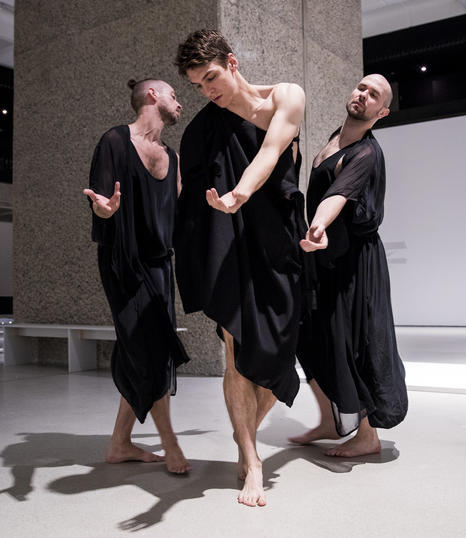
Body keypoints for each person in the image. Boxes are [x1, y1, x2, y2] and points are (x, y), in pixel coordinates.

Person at [173, 29, 306, 506]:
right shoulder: (203, 130)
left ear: (231, 62)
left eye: (210, 78)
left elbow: (270, 153)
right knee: (235, 353)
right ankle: (251, 461)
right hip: (229, 244)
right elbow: (189, 197)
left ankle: (243, 431)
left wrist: (239, 193)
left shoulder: (285, 96)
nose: (207, 92)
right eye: (197, 86)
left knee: (279, 351)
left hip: (278, 242)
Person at [289, 74, 408, 457]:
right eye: (361, 87)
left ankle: (368, 435)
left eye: (374, 95)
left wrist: (318, 224)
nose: (363, 95)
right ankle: (329, 418)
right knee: (310, 339)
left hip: (356, 263)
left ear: (382, 111)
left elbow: (337, 196)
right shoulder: (334, 138)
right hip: (326, 257)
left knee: (358, 343)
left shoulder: (366, 153)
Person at [83, 78, 191, 474]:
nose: (179, 102)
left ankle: (119, 444)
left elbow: (178, 214)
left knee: (144, 353)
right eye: (174, 95)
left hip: (161, 267)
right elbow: (100, 203)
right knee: (150, 350)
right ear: (152, 96)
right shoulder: (114, 141)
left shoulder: (172, 157)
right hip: (124, 264)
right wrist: (105, 210)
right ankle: (170, 443)